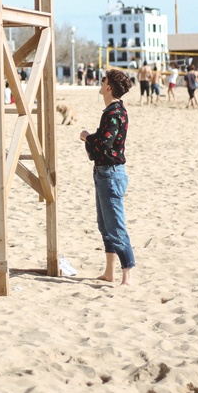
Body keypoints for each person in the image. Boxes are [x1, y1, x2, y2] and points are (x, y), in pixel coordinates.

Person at [79, 68, 136, 287]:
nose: (101, 83)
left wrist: (87, 137)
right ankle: (109, 272)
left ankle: (127, 275)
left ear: (109, 87)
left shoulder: (115, 112)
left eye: (103, 80)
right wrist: (91, 142)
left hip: (111, 174)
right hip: (104, 172)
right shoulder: (113, 110)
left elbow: (105, 144)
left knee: (115, 226)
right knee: (105, 226)